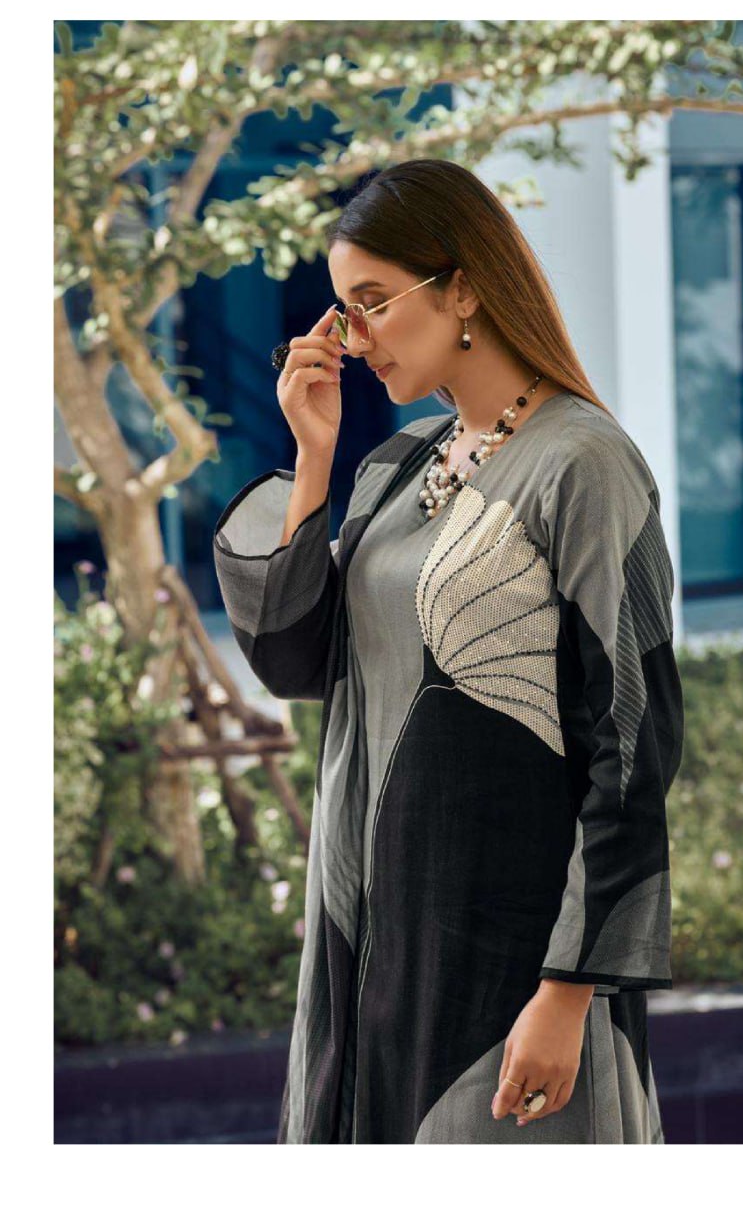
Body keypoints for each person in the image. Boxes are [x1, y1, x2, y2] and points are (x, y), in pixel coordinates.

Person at [212, 158, 684, 1144]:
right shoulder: (396, 466)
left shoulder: (581, 463)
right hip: (378, 947)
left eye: (373, 302)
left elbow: (632, 745)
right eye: (343, 311)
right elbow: (298, 663)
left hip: (512, 963)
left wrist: (567, 989)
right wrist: (312, 456)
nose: (354, 338)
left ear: (462, 287)